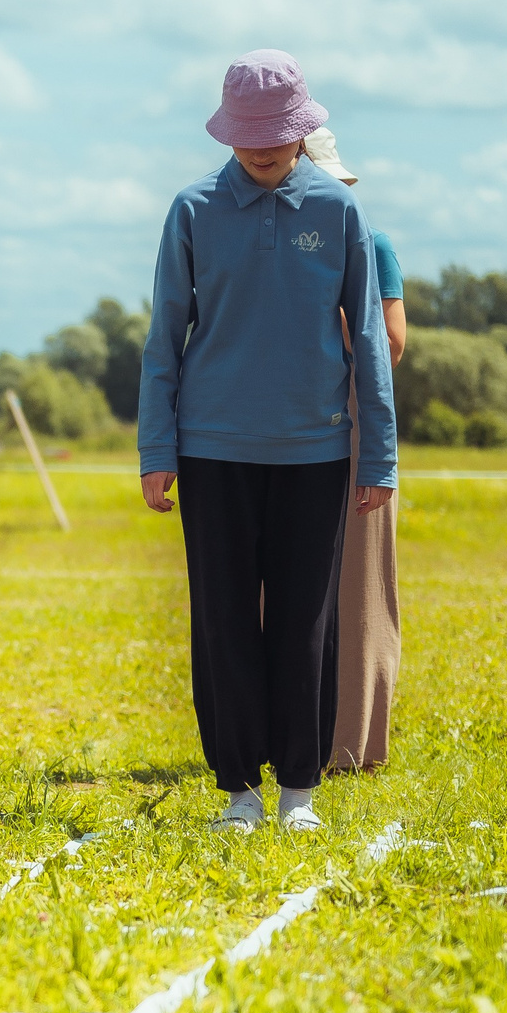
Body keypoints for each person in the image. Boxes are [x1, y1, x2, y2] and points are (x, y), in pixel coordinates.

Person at [137, 53, 396, 834]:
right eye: (248, 139)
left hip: (314, 453)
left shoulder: (340, 212)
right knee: (222, 620)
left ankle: (299, 792)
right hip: (212, 450)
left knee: (304, 622)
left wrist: (378, 454)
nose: (262, 152)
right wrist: (157, 450)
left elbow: (373, 348)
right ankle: (239, 791)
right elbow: (163, 339)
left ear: (302, 130)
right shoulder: (191, 209)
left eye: (276, 140)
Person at [300, 127, 407, 773]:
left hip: (355, 422)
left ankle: (352, 742)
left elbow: (390, 344)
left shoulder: (375, 242)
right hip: (281, 424)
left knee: (361, 585)